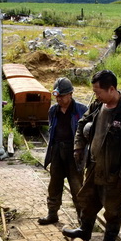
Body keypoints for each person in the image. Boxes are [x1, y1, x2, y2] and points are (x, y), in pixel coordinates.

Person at [62, 70, 121, 241]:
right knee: (87, 201)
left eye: (98, 91)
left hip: (114, 173)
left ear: (111, 89)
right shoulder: (98, 105)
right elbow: (83, 123)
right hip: (94, 166)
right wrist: (79, 147)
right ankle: (85, 229)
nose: (95, 95)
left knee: (113, 209)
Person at [38, 77, 88, 225]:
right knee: (54, 185)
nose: (58, 99)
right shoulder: (53, 110)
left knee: (77, 187)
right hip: (57, 151)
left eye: (61, 96)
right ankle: (52, 213)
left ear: (70, 94)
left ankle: (82, 218)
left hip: (74, 154)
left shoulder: (82, 110)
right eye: (57, 97)